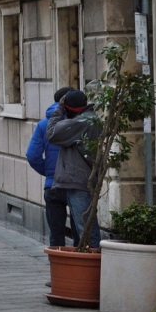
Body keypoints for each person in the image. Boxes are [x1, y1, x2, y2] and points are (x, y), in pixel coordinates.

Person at [46, 89, 101, 249]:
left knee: (86, 230)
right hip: (77, 181)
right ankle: (91, 263)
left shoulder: (82, 122)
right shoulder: (88, 119)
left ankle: (93, 266)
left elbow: (52, 133)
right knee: (84, 227)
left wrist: (59, 109)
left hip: (79, 182)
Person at [26, 86, 78, 247]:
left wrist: (50, 172)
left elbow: (32, 155)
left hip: (53, 184)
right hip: (76, 182)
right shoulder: (79, 123)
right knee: (81, 231)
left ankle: (58, 267)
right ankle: (80, 267)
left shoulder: (43, 125)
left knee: (56, 233)